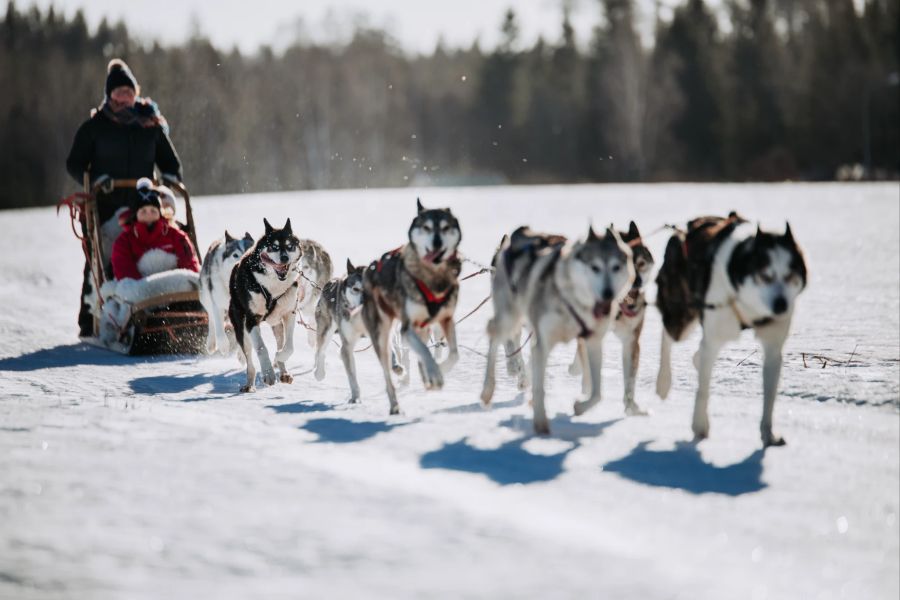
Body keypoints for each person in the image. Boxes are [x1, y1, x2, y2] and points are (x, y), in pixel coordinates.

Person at [66, 58, 183, 335]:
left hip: (144, 203)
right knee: (99, 257)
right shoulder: (95, 127)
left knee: (159, 247)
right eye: (119, 92)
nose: (125, 97)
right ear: (109, 95)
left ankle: (166, 305)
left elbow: (170, 163)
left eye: (129, 92)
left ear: (136, 93)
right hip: (106, 205)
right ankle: (91, 318)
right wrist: (96, 181)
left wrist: (169, 179)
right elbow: (74, 163)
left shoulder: (150, 125)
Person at [110, 179, 199, 281]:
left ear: (160, 213)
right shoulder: (124, 242)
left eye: (153, 210)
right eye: (143, 211)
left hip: (175, 290)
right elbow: (125, 272)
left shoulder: (176, 236)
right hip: (141, 292)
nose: (149, 215)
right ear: (135, 215)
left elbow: (189, 265)